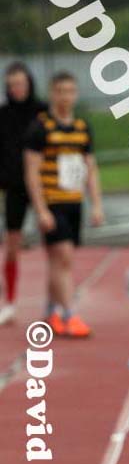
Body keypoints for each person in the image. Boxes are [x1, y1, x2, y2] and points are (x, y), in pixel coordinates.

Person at [23, 71, 104, 337]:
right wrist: (41, 209)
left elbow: (90, 168)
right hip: (52, 203)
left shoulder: (82, 127)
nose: (65, 97)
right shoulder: (40, 127)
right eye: (60, 91)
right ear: (52, 93)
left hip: (73, 202)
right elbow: (31, 171)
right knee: (64, 259)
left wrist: (96, 204)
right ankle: (69, 314)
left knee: (58, 261)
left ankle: (50, 310)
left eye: (70, 91)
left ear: (76, 94)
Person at [0, 62, 47, 324]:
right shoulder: (3, 114)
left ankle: (55, 301)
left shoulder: (42, 112)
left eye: (22, 84)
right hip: (14, 187)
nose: (18, 89)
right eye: (12, 85)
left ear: (29, 83)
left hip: (42, 186)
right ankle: (10, 301)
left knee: (54, 244)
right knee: (11, 246)